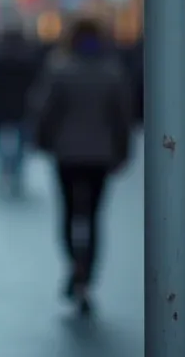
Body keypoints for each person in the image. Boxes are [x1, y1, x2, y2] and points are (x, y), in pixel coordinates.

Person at [30, 16, 132, 316]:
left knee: (69, 212)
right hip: (101, 154)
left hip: (67, 153)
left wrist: (42, 141)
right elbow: (122, 118)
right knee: (94, 216)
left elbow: (45, 109)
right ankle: (88, 275)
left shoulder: (60, 68)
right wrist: (122, 152)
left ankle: (74, 262)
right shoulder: (112, 71)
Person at [0, 27, 40, 192]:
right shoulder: (29, 57)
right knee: (23, 141)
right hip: (22, 106)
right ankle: (16, 168)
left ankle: (4, 164)